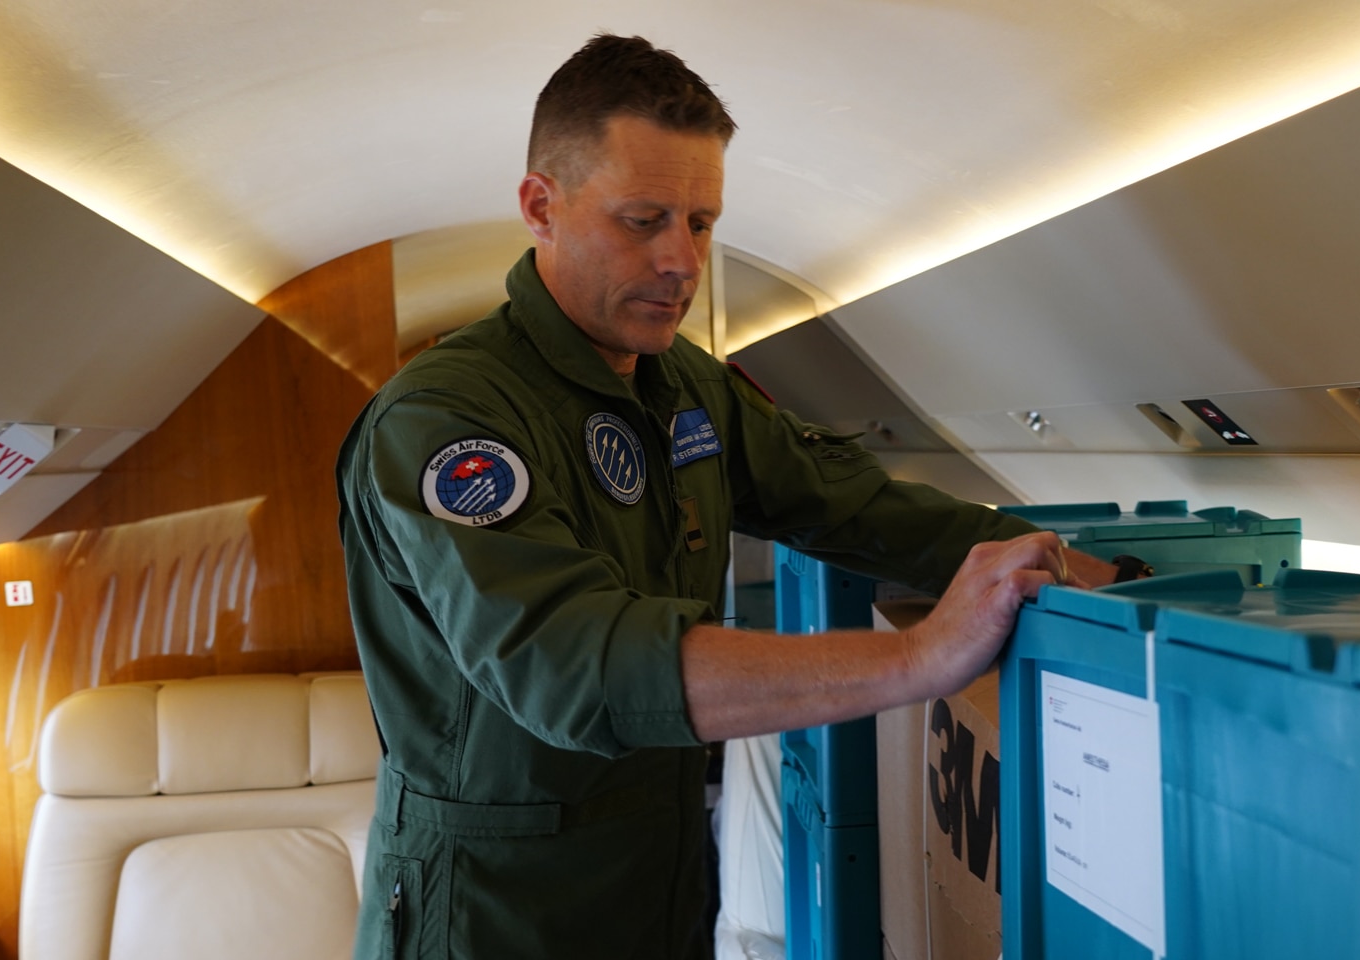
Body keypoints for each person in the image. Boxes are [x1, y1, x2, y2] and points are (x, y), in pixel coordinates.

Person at [335, 33, 1118, 959]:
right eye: (643, 220)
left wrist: (1102, 579)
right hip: (490, 912)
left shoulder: (684, 388)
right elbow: (572, 667)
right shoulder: (445, 418)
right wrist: (918, 660)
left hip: (659, 891)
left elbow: (855, 507)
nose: (681, 259)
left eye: (700, 222)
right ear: (540, 207)